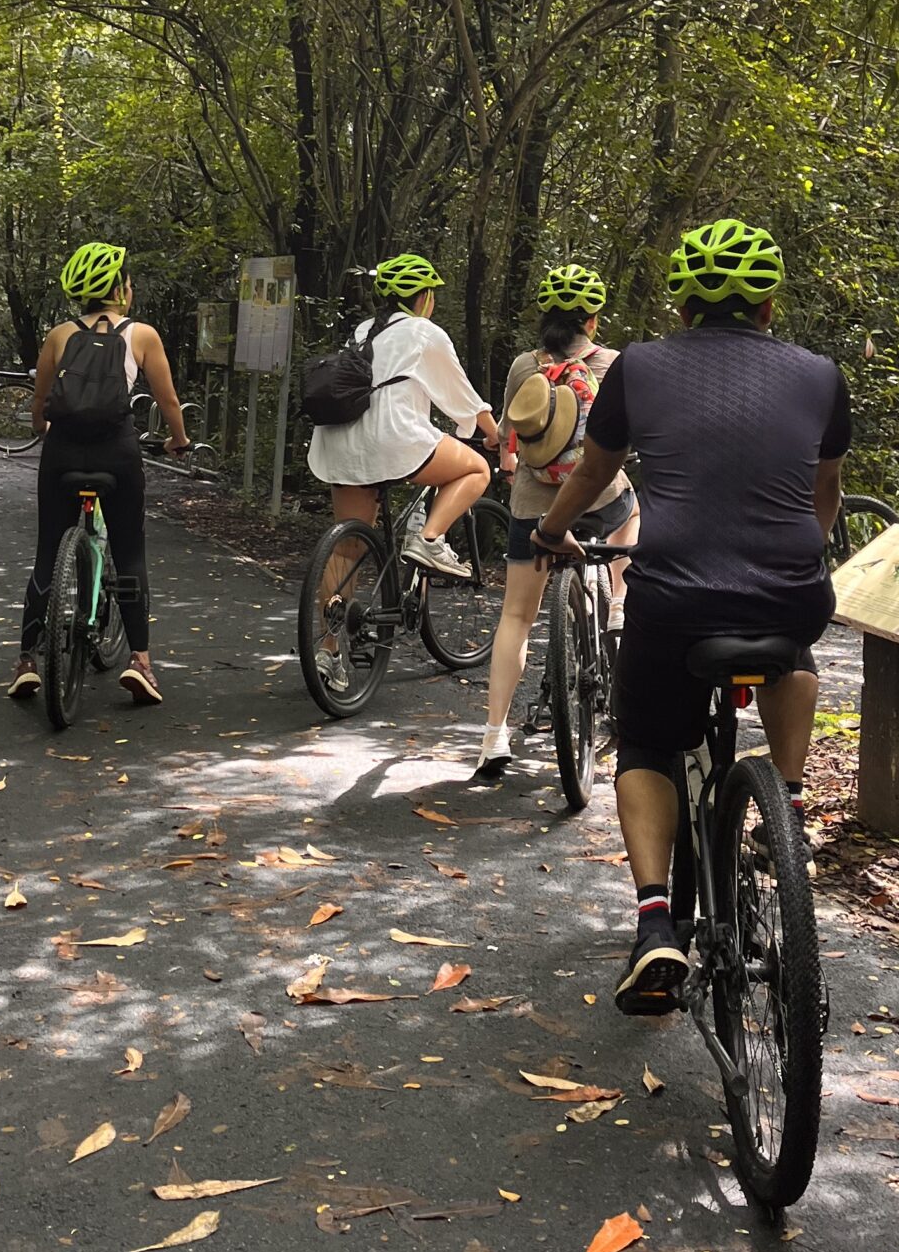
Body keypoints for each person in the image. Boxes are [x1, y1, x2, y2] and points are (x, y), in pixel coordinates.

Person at [532, 219, 849, 1015]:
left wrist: (549, 532)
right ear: (770, 304)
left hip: (674, 596)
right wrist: (797, 559)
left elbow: (595, 471)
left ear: (681, 304)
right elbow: (824, 497)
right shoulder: (819, 373)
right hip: (789, 589)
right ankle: (791, 799)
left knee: (645, 738)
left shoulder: (639, 367)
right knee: (793, 651)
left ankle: (653, 924)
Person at [472, 263, 638, 784]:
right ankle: (617, 600)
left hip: (532, 506)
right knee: (633, 506)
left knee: (517, 617)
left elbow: (510, 436)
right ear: (592, 319)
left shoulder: (524, 364)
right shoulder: (613, 363)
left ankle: (493, 735)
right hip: (599, 498)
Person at [7, 241, 189, 707]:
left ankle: (27, 662)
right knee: (129, 553)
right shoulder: (141, 335)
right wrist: (177, 440)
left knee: (48, 551)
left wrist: (43, 429)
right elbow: (168, 401)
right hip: (117, 453)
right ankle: (141, 663)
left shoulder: (57, 336)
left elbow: (40, 404)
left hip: (64, 451)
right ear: (120, 290)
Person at [306, 253, 498, 590]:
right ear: (424, 298)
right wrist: (498, 438)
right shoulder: (425, 332)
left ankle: (327, 642)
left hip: (338, 441)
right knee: (476, 469)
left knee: (346, 551)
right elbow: (463, 398)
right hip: (393, 440)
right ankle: (429, 539)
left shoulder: (363, 330)